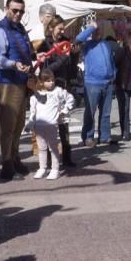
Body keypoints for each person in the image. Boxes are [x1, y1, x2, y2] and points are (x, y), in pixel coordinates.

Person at [0, 0, 33, 180]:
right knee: (8, 126)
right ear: (6, 8)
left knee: (19, 124)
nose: (18, 14)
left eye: (21, 11)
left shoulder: (20, 28)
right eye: (14, 10)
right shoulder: (0, 29)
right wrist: (14, 64)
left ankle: (15, 158)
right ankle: (6, 163)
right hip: (7, 82)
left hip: (22, 81)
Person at [38, 14, 78, 166]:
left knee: (64, 124)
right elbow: (46, 71)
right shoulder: (44, 45)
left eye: (63, 28)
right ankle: (48, 159)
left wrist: (74, 55)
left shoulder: (65, 42)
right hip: (49, 91)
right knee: (49, 125)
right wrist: (63, 58)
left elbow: (71, 68)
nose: (62, 31)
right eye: (60, 28)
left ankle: (67, 158)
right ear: (51, 28)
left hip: (63, 88)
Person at [25, 69, 74, 180]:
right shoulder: (35, 96)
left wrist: (65, 110)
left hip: (52, 125)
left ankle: (55, 169)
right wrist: (30, 124)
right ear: (41, 82)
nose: (51, 82)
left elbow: (70, 98)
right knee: (41, 148)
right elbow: (33, 112)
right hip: (39, 127)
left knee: (53, 148)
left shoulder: (58, 91)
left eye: (52, 80)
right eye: (48, 80)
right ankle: (42, 168)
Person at [75, 19, 116, 146]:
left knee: (106, 113)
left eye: (100, 28)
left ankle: (104, 136)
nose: (98, 30)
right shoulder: (86, 44)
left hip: (108, 82)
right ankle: (88, 136)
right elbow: (78, 39)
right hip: (92, 83)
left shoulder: (106, 43)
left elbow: (110, 60)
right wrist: (91, 27)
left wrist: (114, 73)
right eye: (96, 29)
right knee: (90, 112)